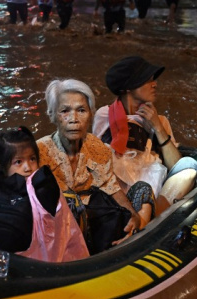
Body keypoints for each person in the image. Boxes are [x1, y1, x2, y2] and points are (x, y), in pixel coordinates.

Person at [93, 56, 197, 228]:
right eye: (147, 80)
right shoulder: (104, 115)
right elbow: (95, 159)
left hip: (154, 189)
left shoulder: (161, 121)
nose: (155, 84)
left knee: (189, 166)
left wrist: (157, 127)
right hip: (118, 192)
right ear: (129, 87)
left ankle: (153, 218)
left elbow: (175, 165)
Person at [37, 79, 141, 253]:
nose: (74, 120)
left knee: (139, 195)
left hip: (91, 224)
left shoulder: (97, 148)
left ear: (91, 115)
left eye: (81, 111)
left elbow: (110, 186)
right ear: (52, 115)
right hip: (54, 231)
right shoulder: (39, 153)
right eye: (65, 111)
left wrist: (132, 215)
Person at [0, 128, 89, 262]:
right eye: (18, 162)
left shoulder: (43, 188)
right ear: (2, 166)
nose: (27, 168)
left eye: (32, 159)